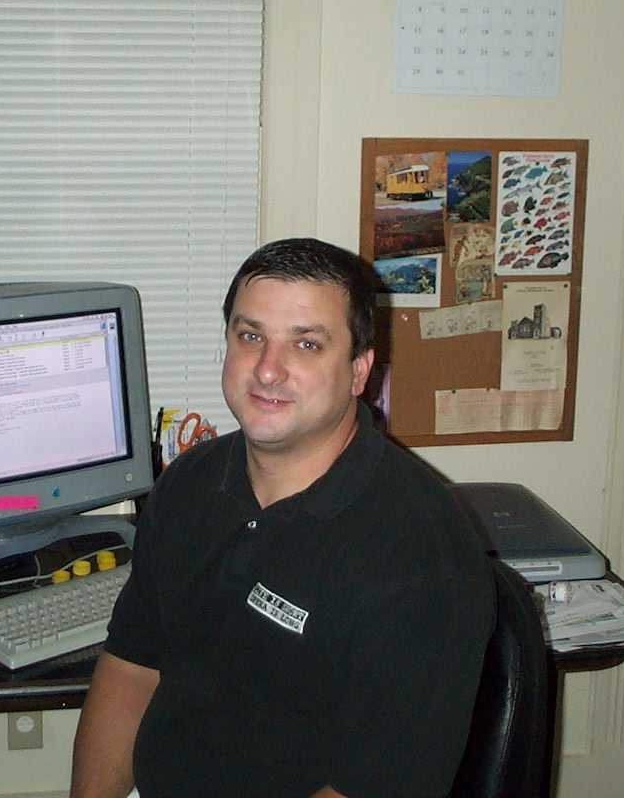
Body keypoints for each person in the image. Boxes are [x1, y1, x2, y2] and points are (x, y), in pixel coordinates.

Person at [70, 238, 495, 798]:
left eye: (307, 344)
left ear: (359, 371)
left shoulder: (424, 556)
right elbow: (132, 665)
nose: (268, 370)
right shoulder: (189, 483)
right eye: (251, 337)